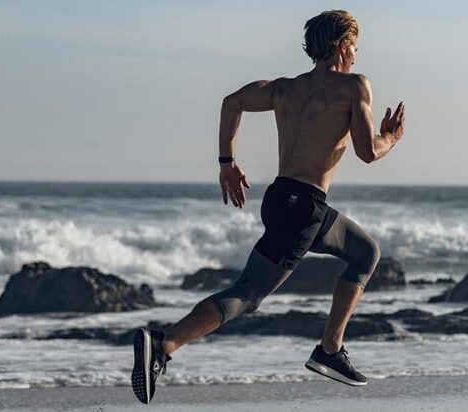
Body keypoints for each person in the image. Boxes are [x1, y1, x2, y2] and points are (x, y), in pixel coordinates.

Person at [131, 9, 406, 404]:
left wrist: (227, 164)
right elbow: (367, 152)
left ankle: (330, 350)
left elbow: (232, 102)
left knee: (366, 252)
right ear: (342, 45)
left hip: (283, 199)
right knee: (248, 294)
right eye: (355, 47)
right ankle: (163, 343)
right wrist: (391, 137)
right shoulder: (354, 87)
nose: (357, 55)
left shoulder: (283, 89)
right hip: (304, 205)